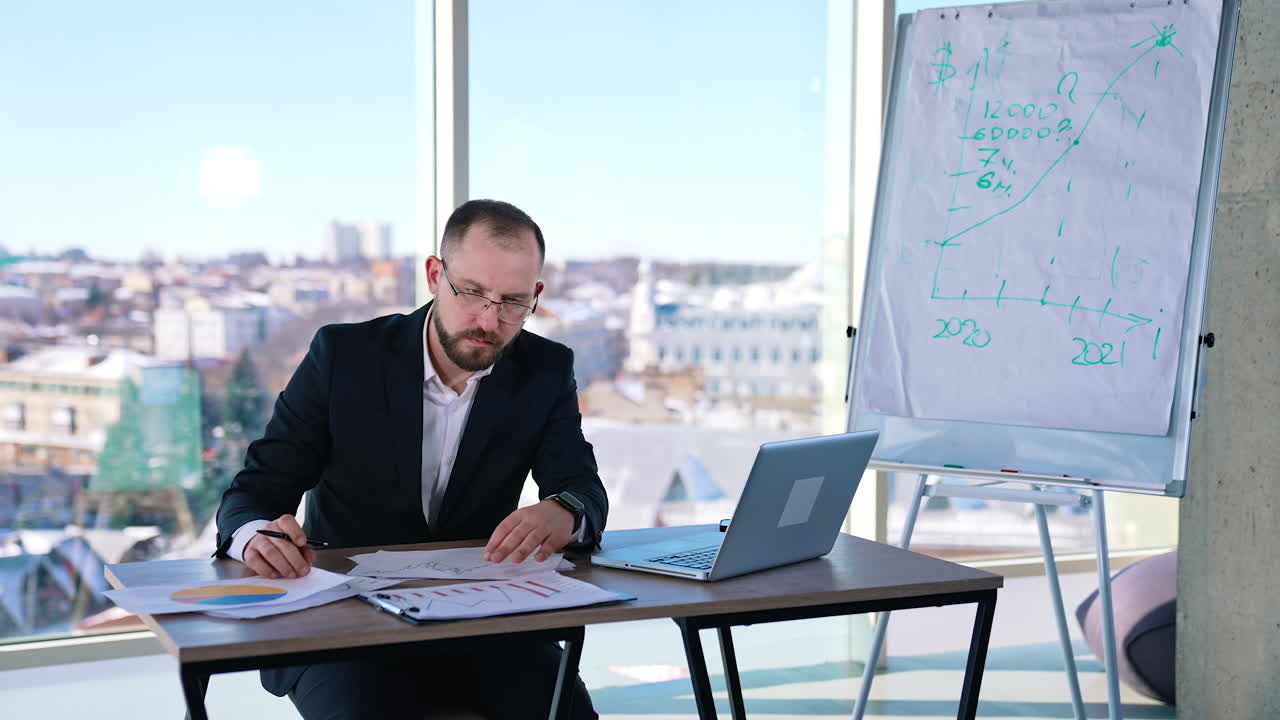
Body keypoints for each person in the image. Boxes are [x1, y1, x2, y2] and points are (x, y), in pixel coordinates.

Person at [214, 199, 608, 720]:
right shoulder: (343, 357)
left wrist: (564, 510)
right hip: (347, 627)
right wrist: (256, 538)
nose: (489, 320)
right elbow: (254, 493)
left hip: (484, 626)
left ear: (536, 295)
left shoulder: (545, 369)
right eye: (471, 293)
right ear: (433, 275)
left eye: (512, 301)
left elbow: (582, 487)